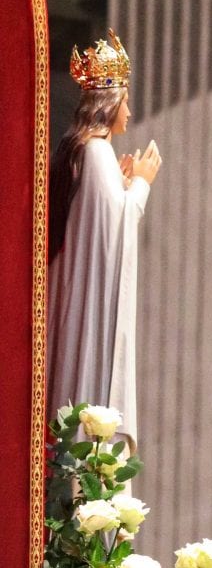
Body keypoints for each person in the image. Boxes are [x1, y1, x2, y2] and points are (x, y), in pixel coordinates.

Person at [47, 30, 162, 452]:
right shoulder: (95, 153)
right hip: (91, 310)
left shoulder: (86, 152)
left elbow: (99, 222)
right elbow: (114, 239)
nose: (130, 112)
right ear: (109, 102)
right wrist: (142, 186)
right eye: (126, 100)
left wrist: (124, 183)